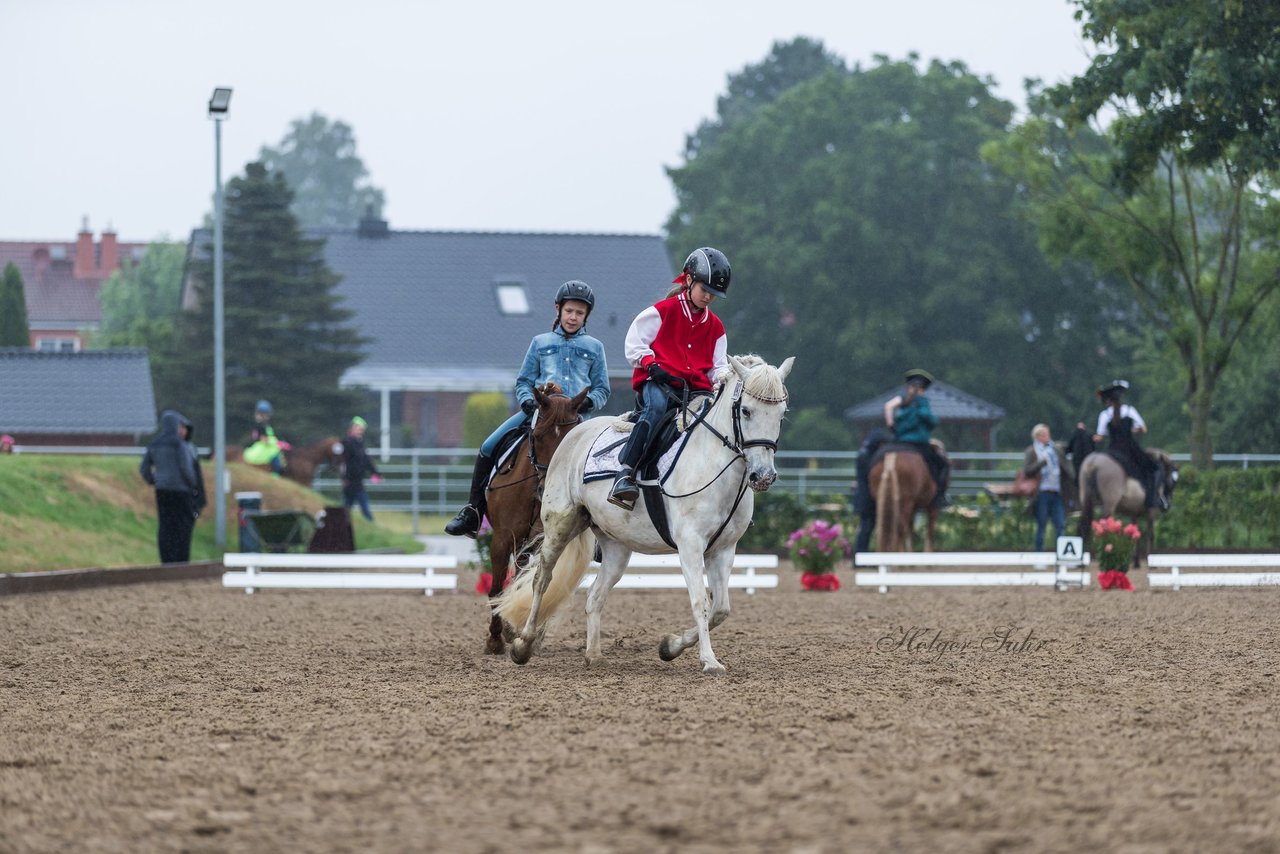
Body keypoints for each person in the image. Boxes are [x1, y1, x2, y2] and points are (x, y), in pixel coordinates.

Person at [445, 280, 610, 537]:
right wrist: (528, 401)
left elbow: (602, 389)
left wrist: (587, 403)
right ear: (558, 309)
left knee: (605, 461)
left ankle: (602, 526)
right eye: (569, 311)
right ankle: (473, 511)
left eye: (579, 313)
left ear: (586, 315)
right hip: (539, 415)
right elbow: (523, 381)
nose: (573, 317)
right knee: (489, 445)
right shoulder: (539, 342)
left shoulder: (595, 348)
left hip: (576, 422)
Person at [608, 247, 733, 510]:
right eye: (704, 289)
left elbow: (718, 367)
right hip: (659, 383)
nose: (709, 296)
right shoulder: (662, 311)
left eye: (714, 293)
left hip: (696, 391)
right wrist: (650, 364)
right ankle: (625, 472)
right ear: (689, 281)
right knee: (655, 409)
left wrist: (724, 379)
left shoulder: (717, 328)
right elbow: (635, 344)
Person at [139, 410, 202, 563]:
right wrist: (193, 485)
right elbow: (186, 468)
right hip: (181, 492)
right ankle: (181, 560)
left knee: (165, 526)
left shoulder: (154, 444)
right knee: (182, 526)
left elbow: (144, 469)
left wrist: (155, 480)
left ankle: (166, 560)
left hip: (162, 491)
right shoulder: (179, 444)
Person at [882, 368, 950, 508]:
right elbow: (932, 422)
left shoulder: (902, 402)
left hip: (898, 442)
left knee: (874, 457)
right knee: (943, 464)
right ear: (922, 389)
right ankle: (939, 496)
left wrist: (890, 424)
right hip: (918, 444)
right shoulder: (922, 403)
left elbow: (888, 409)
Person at [1092, 379, 1165, 509]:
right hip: (1130, 449)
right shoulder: (1129, 411)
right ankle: (1153, 500)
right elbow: (1143, 429)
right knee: (1155, 468)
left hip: (1113, 450)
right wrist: (1130, 430)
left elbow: (1100, 437)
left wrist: (1091, 437)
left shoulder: (1104, 415)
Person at [1023, 424, 1067, 551]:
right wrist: (1041, 463)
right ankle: (1039, 555)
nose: (1047, 437)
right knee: (1041, 525)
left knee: (1060, 525)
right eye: (1044, 435)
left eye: (1048, 434)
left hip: (1056, 492)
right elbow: (1027, 470)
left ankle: (1063, 554)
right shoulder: (1032, 451)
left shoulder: (1055, 449)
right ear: (1037, 437)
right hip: (1042, 493)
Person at [852, 428, 890, 554]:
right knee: (866, 528)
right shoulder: (867, 457)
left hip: (864, 497)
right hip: (866, 499)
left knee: (867, 528)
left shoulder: (863, 454)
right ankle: (859, 556)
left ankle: (862, 555)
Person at [341, 416, 382, 522]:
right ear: (352, 428)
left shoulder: (359, 444)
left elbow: (366, 460)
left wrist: (375, 472)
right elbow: (343, 462)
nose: (360, 431)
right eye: (357, 428)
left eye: (361, 429)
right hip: (350, 482)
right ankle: (372, 528)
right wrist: (345, 478)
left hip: (357, 481)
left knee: (347, 509)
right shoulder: (347, 443)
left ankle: (340, 528)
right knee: (362, 509)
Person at [243, 399, 286, 476]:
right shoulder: (261, 426)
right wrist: (276, 443)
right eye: (266, 414)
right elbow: (264, 440)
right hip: (264, 448)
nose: (267, 416)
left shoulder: (264, 425)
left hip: (265, 446)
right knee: (277, 460)